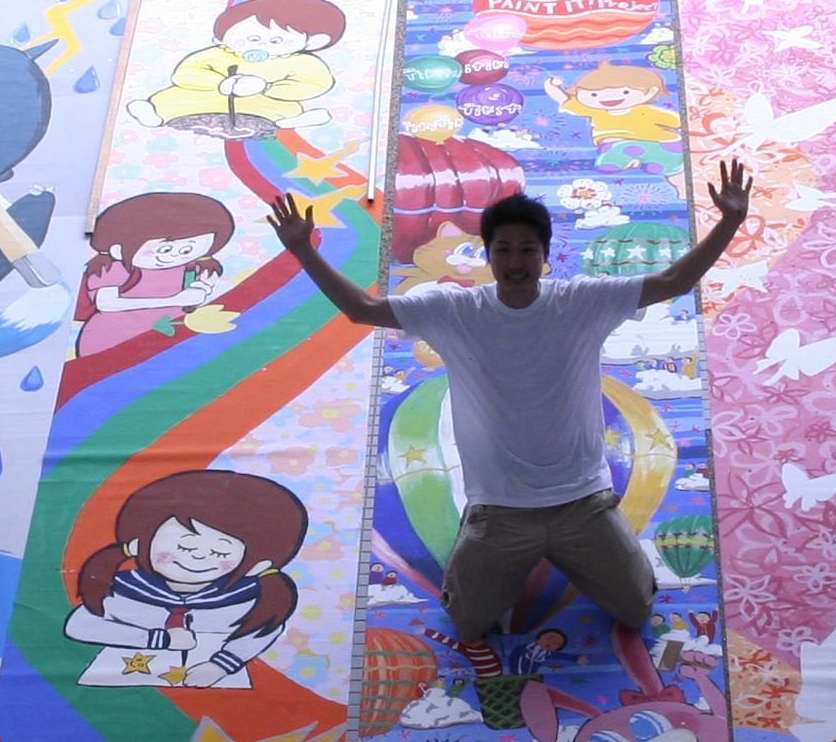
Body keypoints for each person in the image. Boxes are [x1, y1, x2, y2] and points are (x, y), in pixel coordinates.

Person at [271, 176, 750, 647]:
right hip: (500, 509)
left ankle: (575, 556)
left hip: (583, 501)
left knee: (636, 609)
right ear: (487, 254)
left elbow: (673, 281)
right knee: (467, 623)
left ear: (545, 255)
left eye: (527, 250)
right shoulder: (455, 310)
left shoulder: (582, 301)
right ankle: (485, 541)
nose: (516, 262)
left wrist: (729, 222)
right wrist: (303, 249)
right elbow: (362, 308)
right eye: (503, 250)